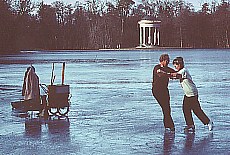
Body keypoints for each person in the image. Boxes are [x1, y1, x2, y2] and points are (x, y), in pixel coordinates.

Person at [170, 57, 213, 132]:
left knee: (196, 110)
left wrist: (163, 73)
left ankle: (208, 122)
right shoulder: (180, 71)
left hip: (192, 94)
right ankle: (190, 124)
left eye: (176, 65)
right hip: (188, 94)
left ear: (180, 64)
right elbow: (174, 75)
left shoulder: (184, 71)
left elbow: (176, 76)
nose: (175, 67)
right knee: (185, 109)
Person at [152, 54, 175, 132]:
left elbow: (176, 73)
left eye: (168, 60)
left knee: (167, 108)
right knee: (165, 108)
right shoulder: (157, 67)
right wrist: (169, 75)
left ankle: (168, 126)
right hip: (157, 91)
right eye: (166, 60)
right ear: (162, 61)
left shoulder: (167, 69)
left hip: (165, 90)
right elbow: (160, 73)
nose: (168, 62)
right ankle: (170, 126)